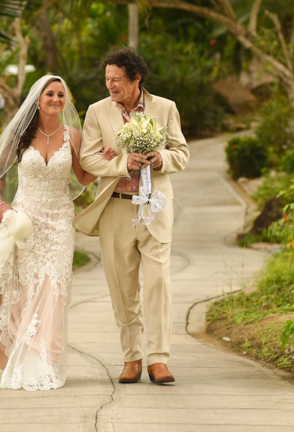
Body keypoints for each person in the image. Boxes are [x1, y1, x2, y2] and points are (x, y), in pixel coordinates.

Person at [0, 75, 114, 390]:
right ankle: (23, 358)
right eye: (50, 94)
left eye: (61, 95)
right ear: (38, 99)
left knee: (54, 288)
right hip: (26, 219)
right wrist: (1, 205)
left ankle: (46, 361)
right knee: (26, 290)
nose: (57, 99)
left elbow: (82, 176)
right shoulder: (21, 134)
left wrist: (103, 161)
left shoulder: (72, 135)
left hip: (60, 220)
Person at [74, 48, 189, 385]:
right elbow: (88, 160)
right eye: (107, 79)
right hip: (116, 207)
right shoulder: (96, 112)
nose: (110, 85)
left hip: (156, 207)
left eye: (117, 80)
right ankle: (131, 359)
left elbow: (182, 152)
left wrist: (160, 159)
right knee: (123, 288)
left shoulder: (165, 108)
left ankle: (158, 360)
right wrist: (122, 164)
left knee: (157, 284)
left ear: (136, 78)